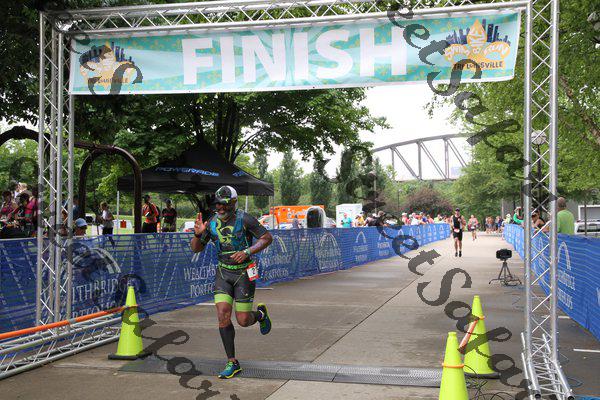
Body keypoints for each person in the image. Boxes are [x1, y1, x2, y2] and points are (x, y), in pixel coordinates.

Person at [190, 186, 273, 379]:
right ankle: (232, 362)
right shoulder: (211, 223)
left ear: (234, 203)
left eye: (224, 204)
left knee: (243, 320)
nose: (220, 208)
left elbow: (267, 237)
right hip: (223, 273)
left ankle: (260, 315)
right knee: (223, 314)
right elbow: (196, 249)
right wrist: (197, 235)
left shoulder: (245, 219)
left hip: (244, 273)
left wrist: (247, 251)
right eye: (217, 204)